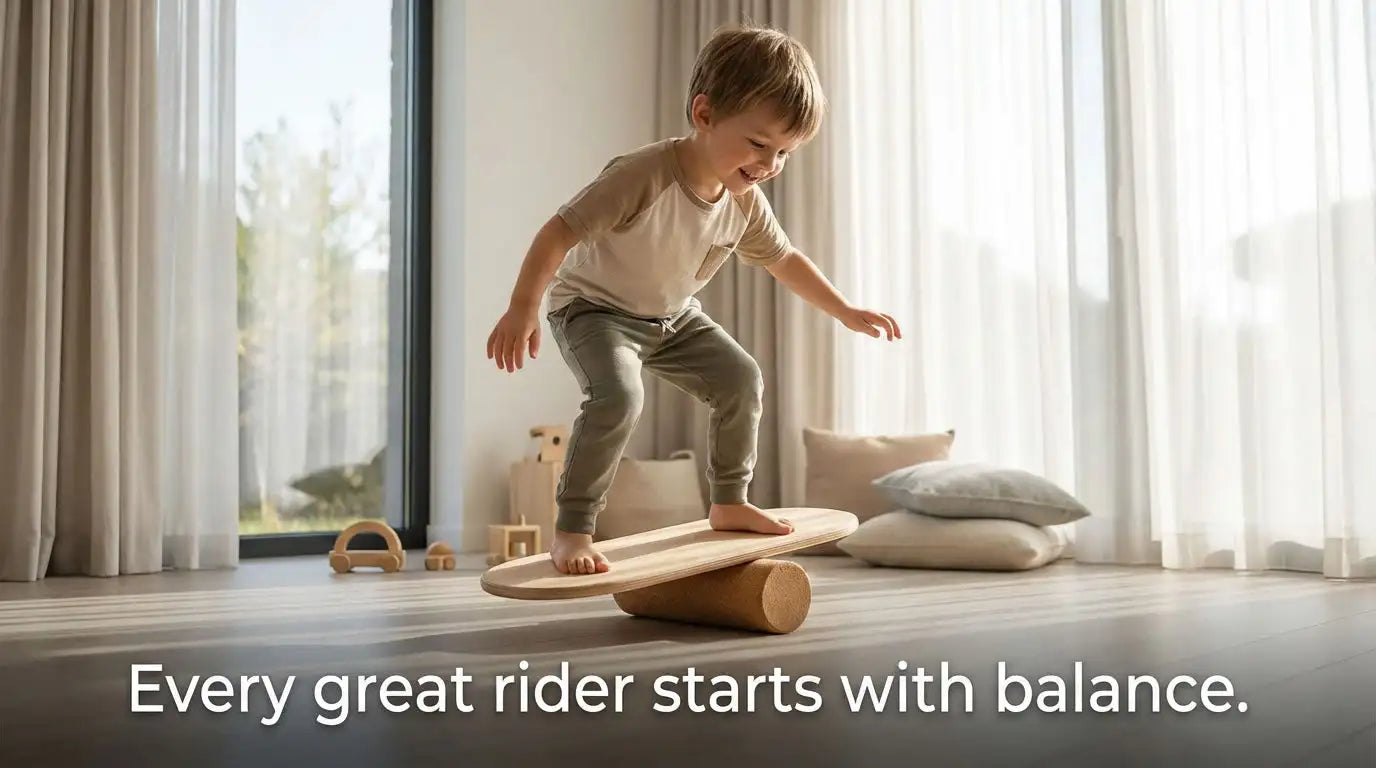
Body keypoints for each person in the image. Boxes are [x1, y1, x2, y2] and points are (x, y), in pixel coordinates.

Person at [486, 25, 900, 575]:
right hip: (595, 310)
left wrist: (845, 309)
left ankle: (729, 501)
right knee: (617, 398)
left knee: (741, 379)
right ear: (704, 115)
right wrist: (522, 308)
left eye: (785, 153)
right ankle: (573, 530)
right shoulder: (643, 174)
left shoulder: (744, 200)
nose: (770, 165)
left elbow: (785, 260)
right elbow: (557, 233)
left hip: (672, 318)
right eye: (759, 144)